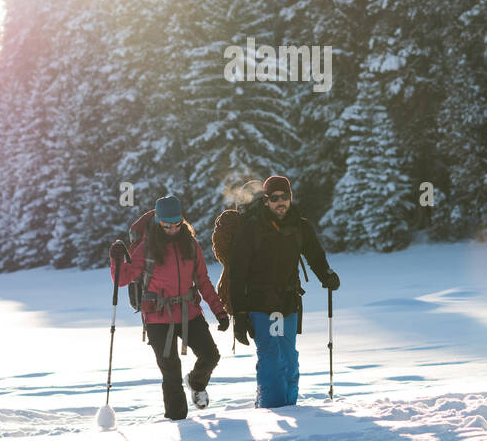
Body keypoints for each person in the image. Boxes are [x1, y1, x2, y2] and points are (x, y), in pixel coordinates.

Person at [109, 195, 229, 420]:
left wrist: (219, 311)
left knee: (210, 355)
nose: (173, 229)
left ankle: (196, 382)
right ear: (157, 220)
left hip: (188, 312)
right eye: (167, 225)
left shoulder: (191, 244)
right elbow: (123, 278)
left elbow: (202, 280)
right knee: (171, 372)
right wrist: (115, 259)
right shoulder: (146, 247)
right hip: (157, 317)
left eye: (177, 224)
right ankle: (177, 422)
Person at [229, 174, 339, 408]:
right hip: (259, 304)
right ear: (266, 200)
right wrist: (238, 315)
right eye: (275, 198)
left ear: (291, 197)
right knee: (271, 360)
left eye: (285, 197)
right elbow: (237, 274)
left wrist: (326, 275)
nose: (281, 202)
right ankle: (269, 413)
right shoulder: (252, 228)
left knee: (289, 359)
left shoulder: (300, 225)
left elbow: (315, 255)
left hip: (288, 302)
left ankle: (290, 409)